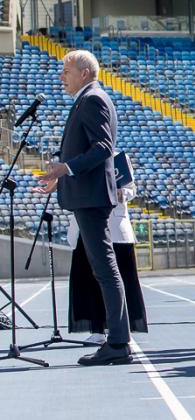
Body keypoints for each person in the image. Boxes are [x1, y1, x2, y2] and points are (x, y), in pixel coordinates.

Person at [36, 50, 132, 366]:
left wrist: (65, 169)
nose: (61, 76)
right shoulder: (86, 99)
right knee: (103, 268)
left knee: (105, 269)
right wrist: (60, 177)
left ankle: (118, 342)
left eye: (66, 71)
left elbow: (103, 147)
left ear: (85, 73)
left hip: (92, 198)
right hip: (86, 195)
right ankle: (117, 340)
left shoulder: (93, 99)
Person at [66, 180, 147, 345]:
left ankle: (119, 329)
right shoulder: (78, 164)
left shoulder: (120, 163)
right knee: (89, 281)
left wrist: (121, 194)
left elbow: (130, 189)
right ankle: (97, 329)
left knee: (118, 279)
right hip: (86, 224)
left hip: (115, 228)